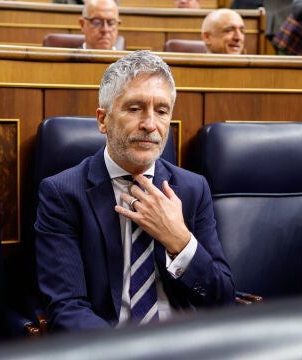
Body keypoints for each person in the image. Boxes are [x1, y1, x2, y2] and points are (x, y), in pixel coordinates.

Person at [34, 50, 235, 331]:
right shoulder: (63, 194)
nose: (150, 124)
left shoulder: (192, 189)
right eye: (134, 108)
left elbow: (222, 299)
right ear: (102, 120)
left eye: (162, 111)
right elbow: (66, 308)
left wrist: (180, 241)